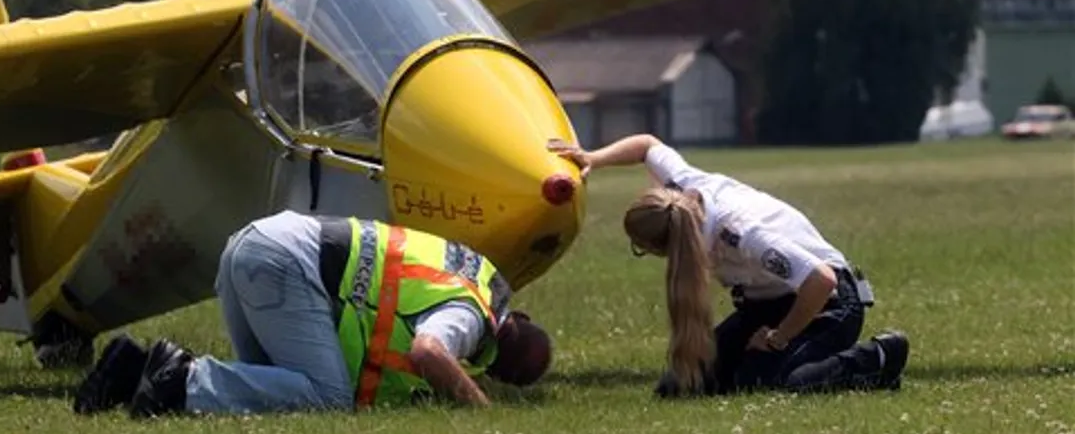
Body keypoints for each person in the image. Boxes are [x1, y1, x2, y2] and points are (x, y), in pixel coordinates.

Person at [71, 210, 553, 418]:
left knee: (271, 386)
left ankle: (130, 367)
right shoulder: (472, 315)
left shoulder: (473, 271)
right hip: (285, 262)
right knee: (327, 397)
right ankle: (180, 379)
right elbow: (430, 351)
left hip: (259, 241)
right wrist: (477, 406)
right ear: (492, 361)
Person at [548, 134, 909, 398]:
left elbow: (821, 280)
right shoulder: (682, 189)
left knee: (766, 383)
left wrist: (778, 337)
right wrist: (593, 157)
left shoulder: (743, 233)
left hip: (825, 304)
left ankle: (878, 358)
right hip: (767, 302)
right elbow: (647, 146)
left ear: (668, 248)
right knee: (681, 387)